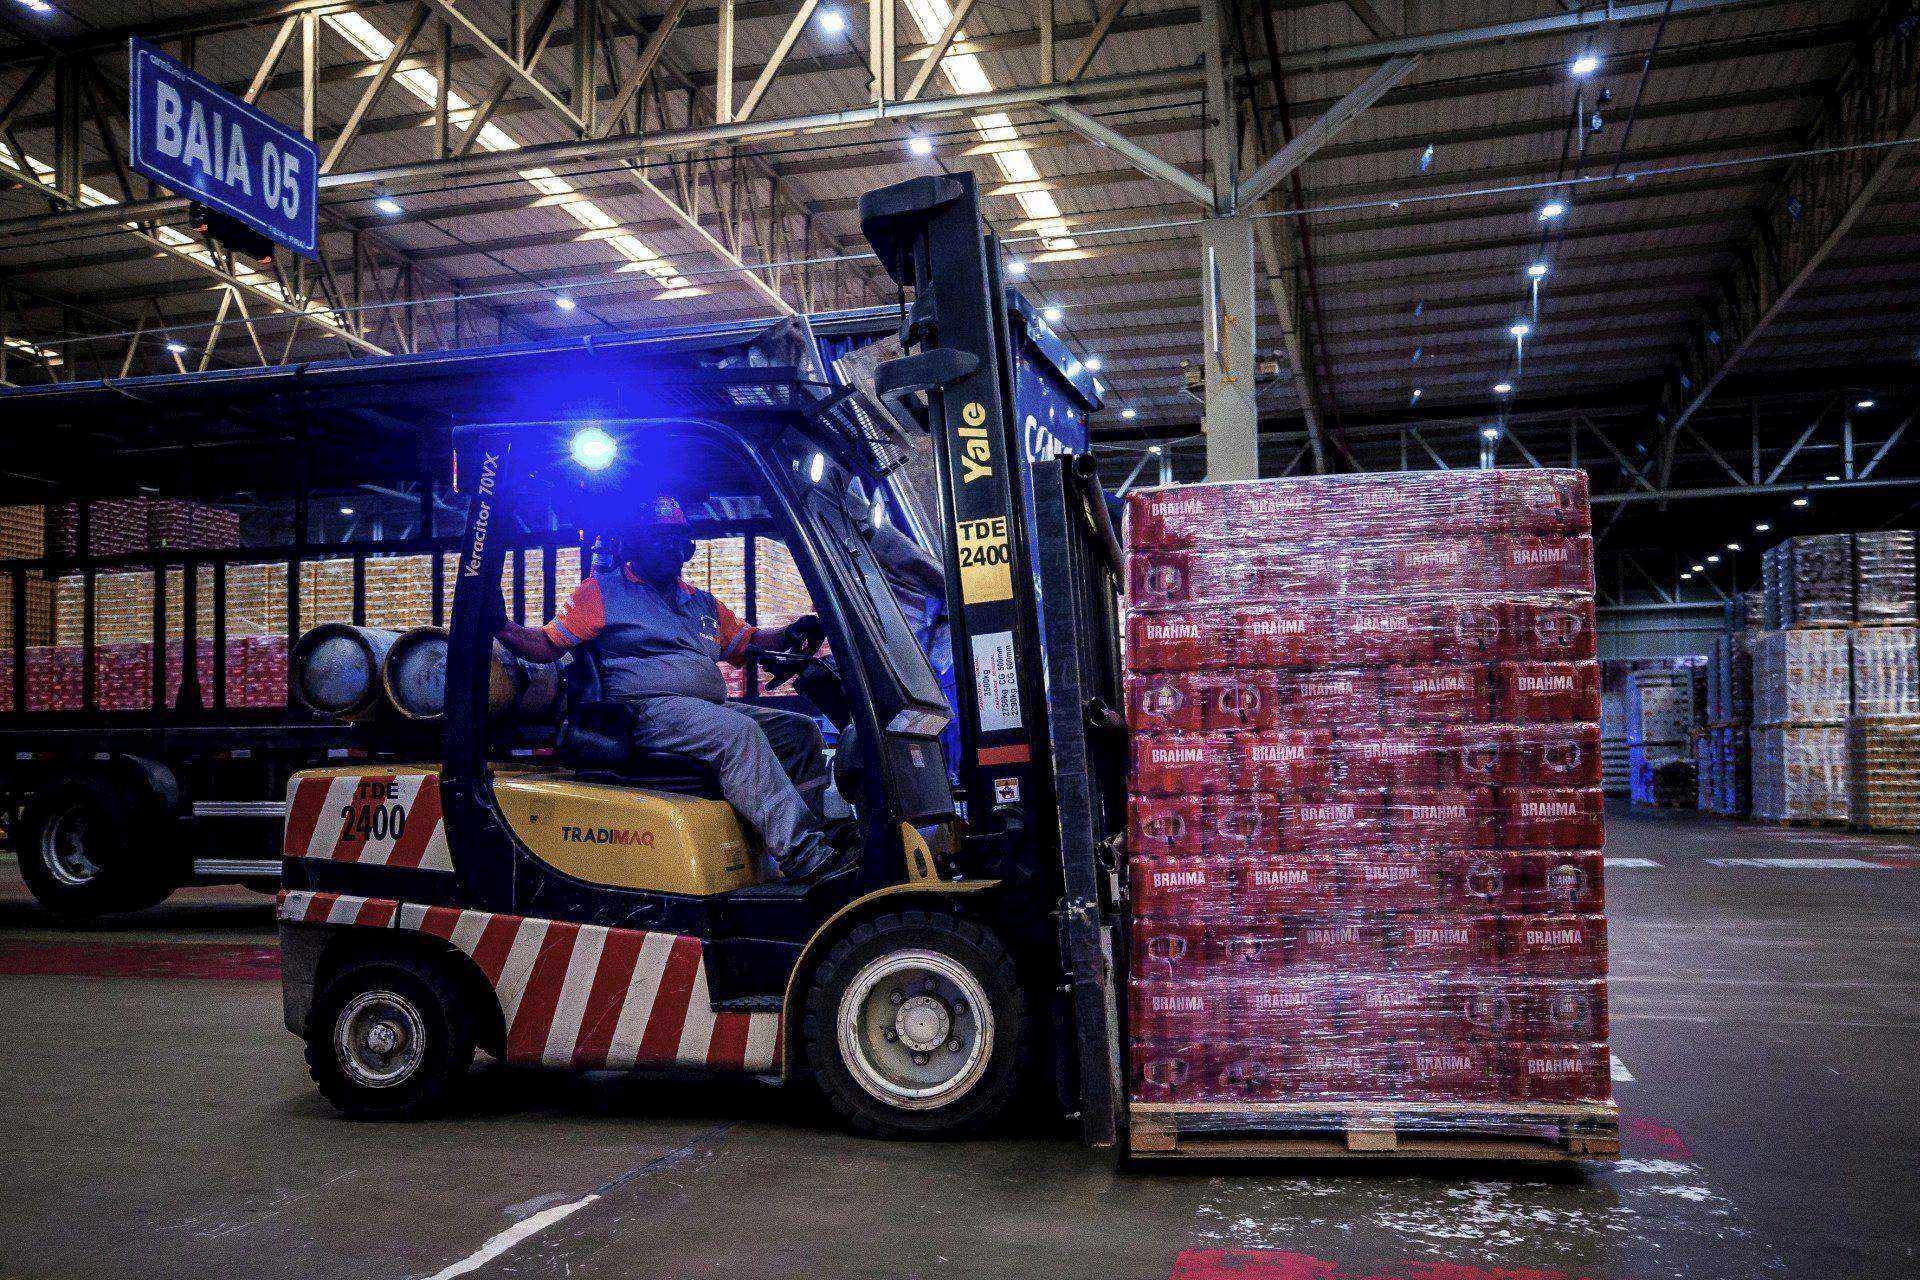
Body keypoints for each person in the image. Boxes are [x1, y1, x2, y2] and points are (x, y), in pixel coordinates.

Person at [496, 494, 854, 881]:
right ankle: (804, 856)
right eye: (657, 537)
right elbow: (547, 646)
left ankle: (818, 833)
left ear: (687, 546)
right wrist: (500, 627)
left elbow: (746, 642)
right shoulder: (599, 593)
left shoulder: (699, 602)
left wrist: (789, 633)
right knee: (737, 734)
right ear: (635, 542)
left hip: (704, 709)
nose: (668, 546)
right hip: (644, 711)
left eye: (675, 538)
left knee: (798, 732)